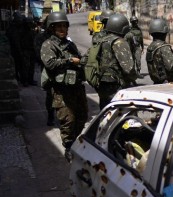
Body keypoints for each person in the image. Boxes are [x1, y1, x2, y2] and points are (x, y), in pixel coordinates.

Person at [40, 12, 88, 163]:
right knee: (68, 120)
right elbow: (50, 63)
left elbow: (78, 59)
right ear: (52, 28)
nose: (62, 29)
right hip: (62, 91)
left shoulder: (70, 44)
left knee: (82, 116)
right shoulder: (48, 45)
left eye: (64, 26)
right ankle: (68, 147)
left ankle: (75, 141)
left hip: (77, 88)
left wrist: (82, 60)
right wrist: (69, 60)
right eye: (58, 26)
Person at [96, 13, 138, 109]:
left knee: (105, 114)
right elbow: (129, 68)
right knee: (122, 117)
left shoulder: (101, 40)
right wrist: (134, 78)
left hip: (102, 85)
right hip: (116, 87)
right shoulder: (119, 42)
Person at [146, 18, 173, 84]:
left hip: (157, 82)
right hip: (167, 83)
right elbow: (171, 66)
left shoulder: (151, 46)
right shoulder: (164, 47)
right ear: (164, 33)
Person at [34, 16, 55, 126]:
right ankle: (51, 115)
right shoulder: (41, 38)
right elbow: (38, 54)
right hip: (48, 70)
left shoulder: (61, 37)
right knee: (50, 94)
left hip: (62, 71)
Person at [125, 16, 144, 80]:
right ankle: (132, 73)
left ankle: (138, 72)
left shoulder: (139, 29)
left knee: (138, 60)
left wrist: (142, 47)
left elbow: (141, 39)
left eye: (136, 21)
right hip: (131, 47)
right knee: (132, 60)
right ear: (131, 22)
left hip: (137, 47)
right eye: (134, 22)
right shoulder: (129, 29)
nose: (135, 23)